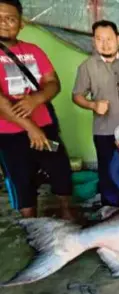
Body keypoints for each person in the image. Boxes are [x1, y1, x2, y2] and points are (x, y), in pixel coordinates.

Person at [0, 0, 74, 219]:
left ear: (21, 24)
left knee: (60, 166)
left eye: (11, 18)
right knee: (21, 179)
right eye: (0, 17)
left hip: (46, 127)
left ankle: (67, 213)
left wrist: (36, 99)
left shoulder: (33, 51)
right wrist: (30, 128)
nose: (4, 23)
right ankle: (31, 224)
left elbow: (53, 82)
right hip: (10, 135)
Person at [72, 20, 119, 206]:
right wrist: (93, 105)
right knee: (107, 174)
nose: (105, 43)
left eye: (109, 38)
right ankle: (109, 211)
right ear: (94, 41)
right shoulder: (87, 66)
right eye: (99, 39)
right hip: (105, 131)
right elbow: (76, 95)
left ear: (118, 39)